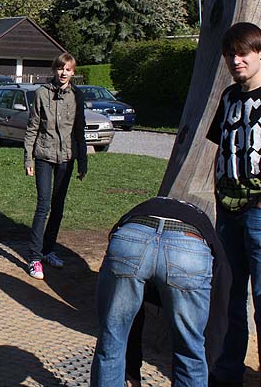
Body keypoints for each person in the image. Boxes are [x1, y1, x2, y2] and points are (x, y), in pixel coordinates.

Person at [90, 196, 230, 387]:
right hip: (188, 248)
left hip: (130, 239)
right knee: (190, 352)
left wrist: (131, 371)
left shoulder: (143, 207)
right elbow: (217, 313)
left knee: (112, 340)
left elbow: (126, 318)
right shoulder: (205, 227)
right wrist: (206, 358)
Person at [207, 22, 261, 386]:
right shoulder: (227, 97)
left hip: (259, 211)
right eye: (230, 54)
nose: (236, 60)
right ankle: (228, 374)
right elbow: (219, 147)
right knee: (228, 296)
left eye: (243, 53)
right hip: (227, 211)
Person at [24, 52, 87, 280]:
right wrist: (28, 158)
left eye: (68, 69)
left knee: (58, 207)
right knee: (43, 206)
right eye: (60, 69)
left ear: (73, 72)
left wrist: (82, 162)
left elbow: (79, 130)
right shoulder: (42, 93)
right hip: (43, 155)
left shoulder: (77, 96)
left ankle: (49, 250)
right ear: (54, 70)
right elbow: (32, 127)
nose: (63, 73)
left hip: (66, 158)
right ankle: (34, 258)